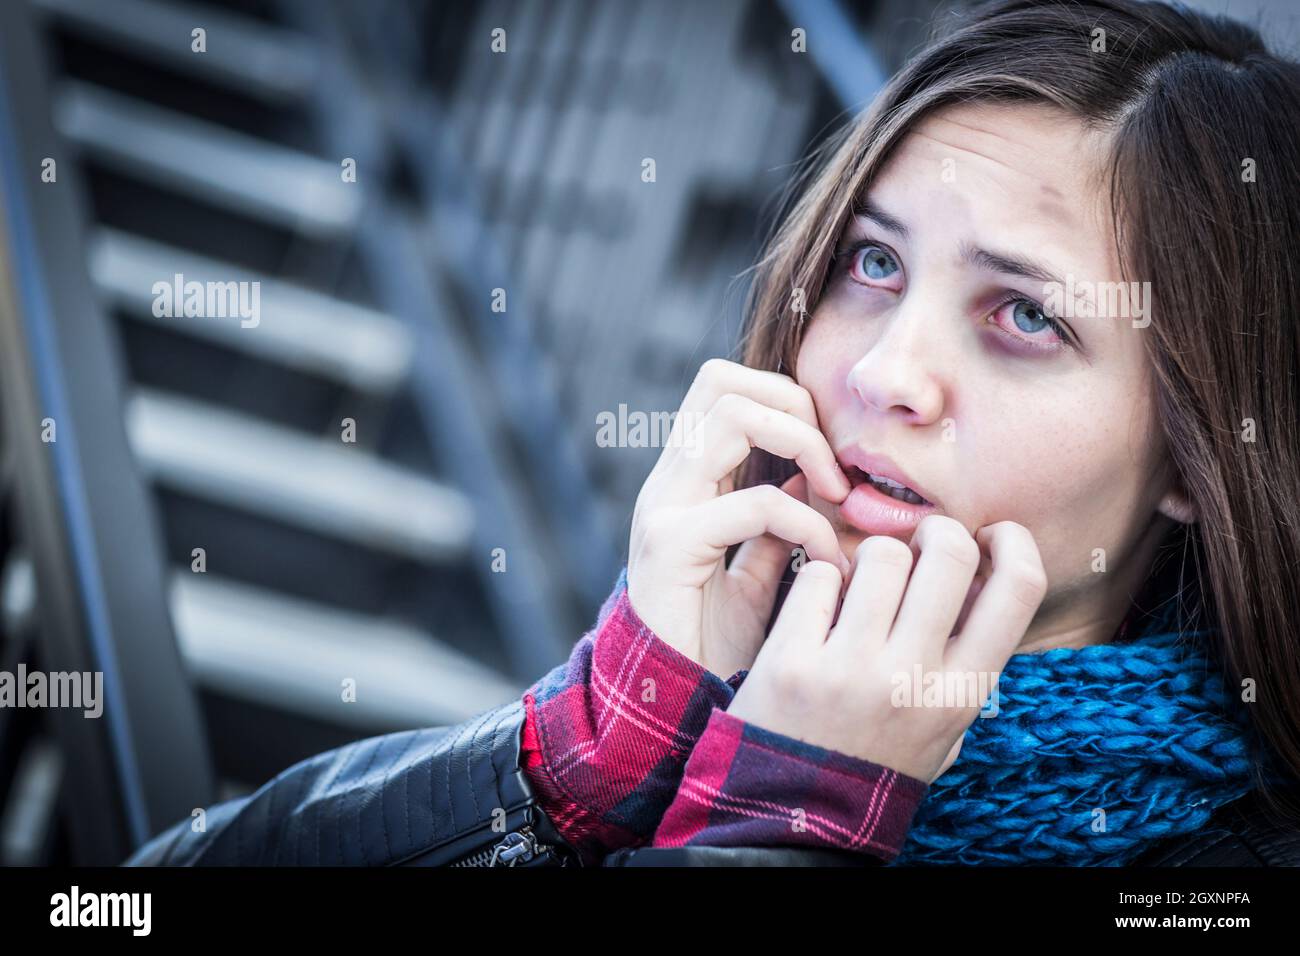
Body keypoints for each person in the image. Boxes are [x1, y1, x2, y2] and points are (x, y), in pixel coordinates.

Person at [125, 0, 1300, 867]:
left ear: (1198, 454)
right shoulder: (708, 696)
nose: (888, 370)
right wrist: (579, 751)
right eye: (871, 262)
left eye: (1026, 315)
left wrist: (784, 816)